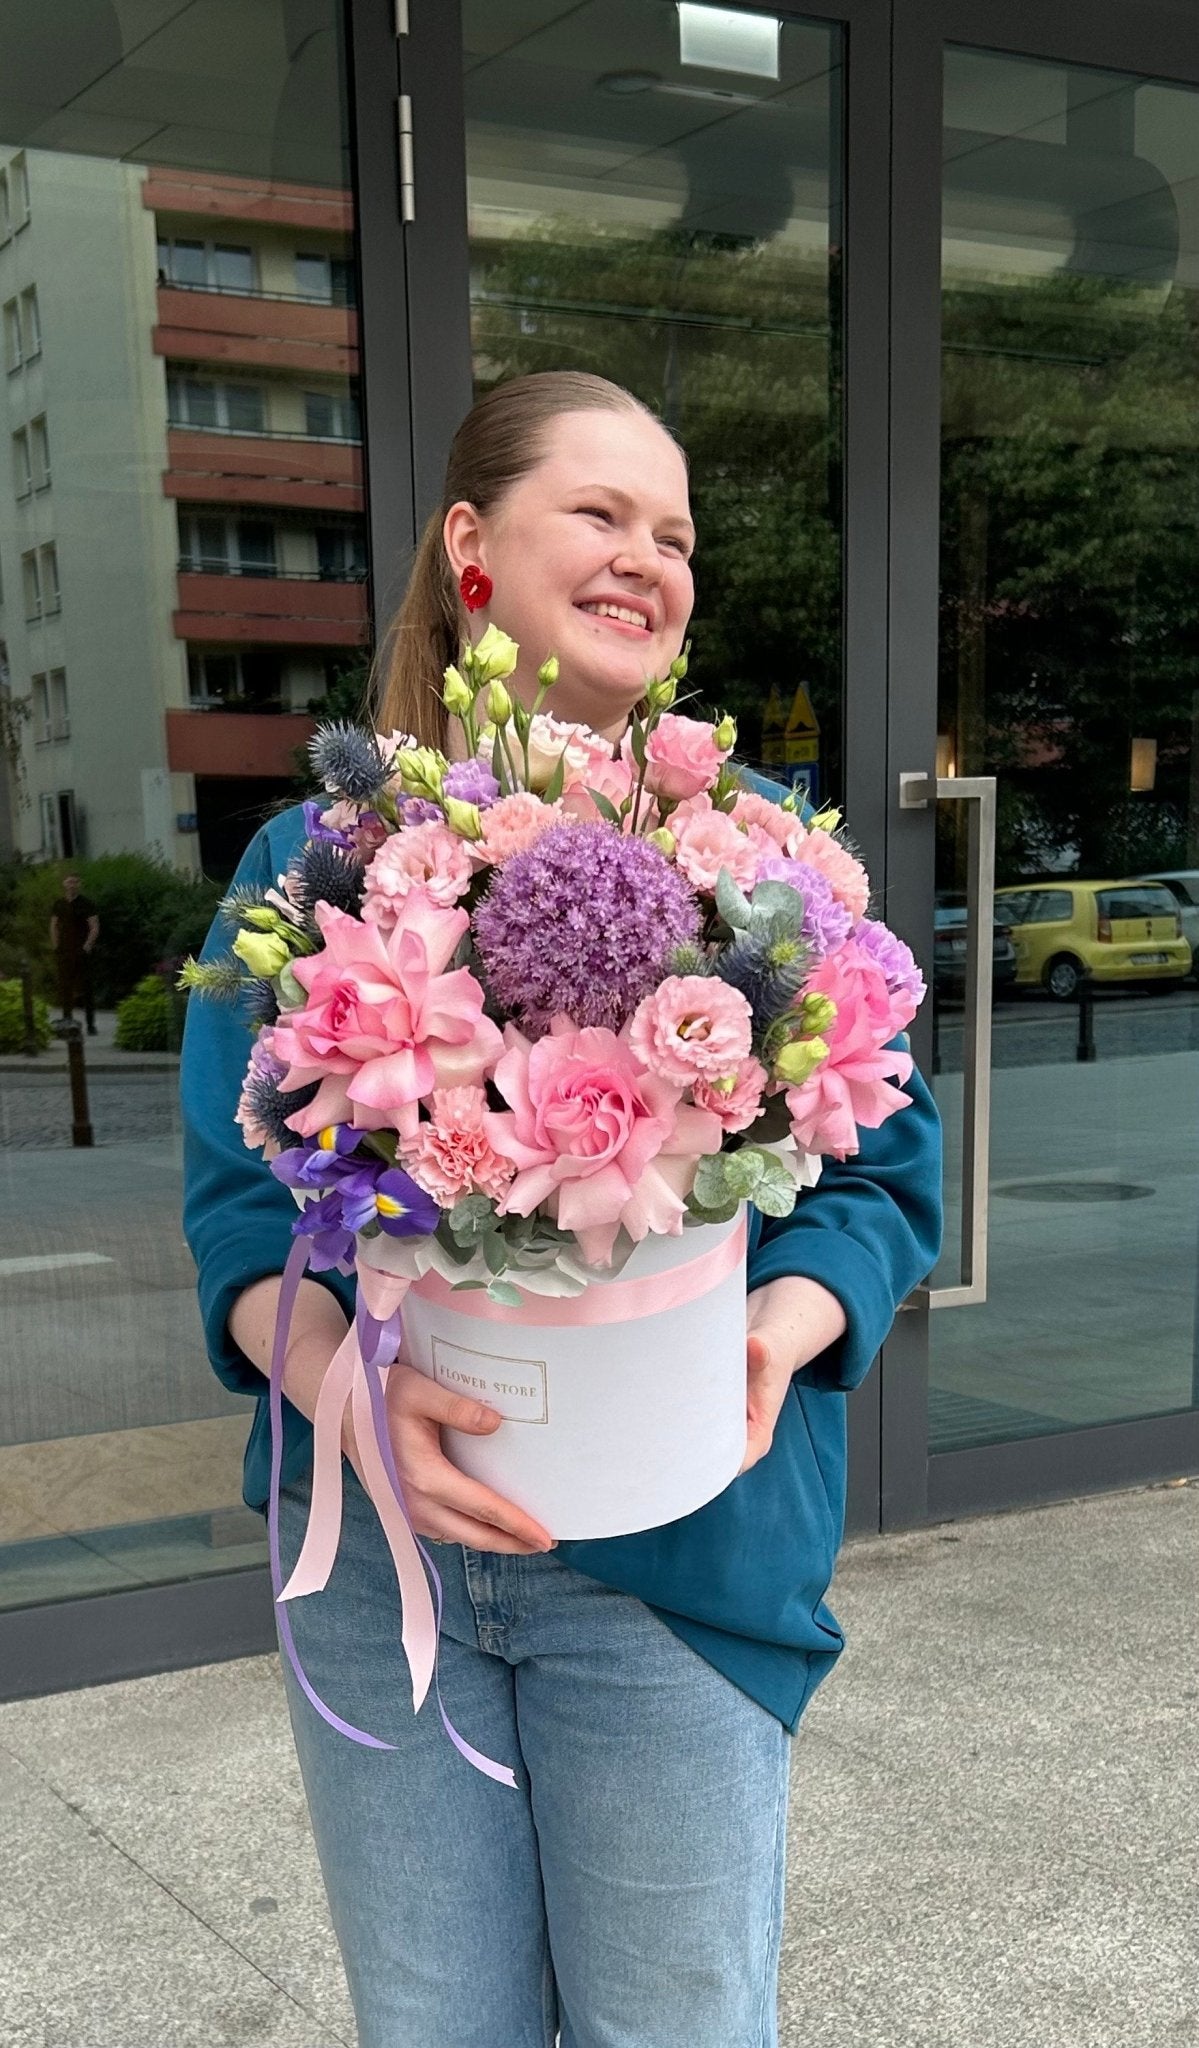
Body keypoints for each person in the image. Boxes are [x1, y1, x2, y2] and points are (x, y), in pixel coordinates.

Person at [181, 371, 942, 2048]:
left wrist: (774, 1324)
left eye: (670, 532)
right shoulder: (311, 866)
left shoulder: (758, 865)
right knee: (432, 2024)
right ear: (470, 544)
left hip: (677, 1556)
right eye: (597, 511)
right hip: (383, 1573)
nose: (645, 556)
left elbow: (883, 1169)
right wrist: (336, 1396)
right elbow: (241, 1212)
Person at [49, 872, 99, 1033]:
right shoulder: (59, 904)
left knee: (87, 987)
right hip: (64, 950)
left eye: (75, 882)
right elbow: (54, 925)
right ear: (64, 884)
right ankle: (67, 1020)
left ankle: (91, 1024)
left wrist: (88, 944)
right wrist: (56, 945)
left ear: (79, 884)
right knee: (65, 987)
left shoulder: (86, 904)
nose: (72, 885)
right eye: (69, 882)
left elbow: (94, 926)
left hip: (81, 950)